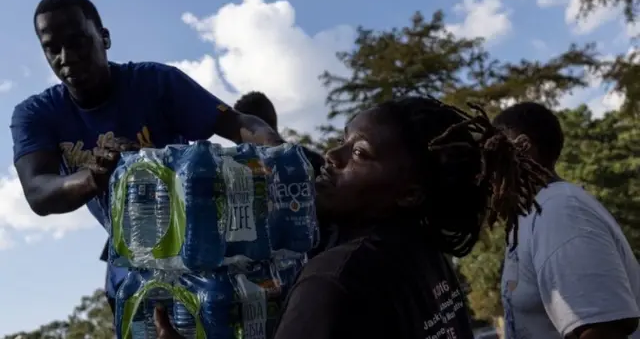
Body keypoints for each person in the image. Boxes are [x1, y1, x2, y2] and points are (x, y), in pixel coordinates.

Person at [154, 96, 551, 339]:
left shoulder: (335, 280)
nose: (332, 156)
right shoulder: (427, 257)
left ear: (411, 192)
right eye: (343, 140)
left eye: (359, 153)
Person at [11, 0, 283, 317]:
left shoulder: (156, 82)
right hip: (132, 266)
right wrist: (93, 178)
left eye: (78, 41)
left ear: (104, 37)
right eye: (52, 49)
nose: (66, 57)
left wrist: (278, 151)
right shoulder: (36, 114)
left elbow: (237, 122)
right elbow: (38, 191)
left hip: (204, 250)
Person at [494, 102, 640, 339]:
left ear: (523, 147)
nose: (486, 163)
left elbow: (602, 329)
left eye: (494, 149)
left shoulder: (560, 212)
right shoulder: (531, 214)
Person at [233, 91, 331, 257]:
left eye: (236, 131)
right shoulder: (309, 160)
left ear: (251, 128)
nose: (235, 141)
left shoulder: (241, 172)